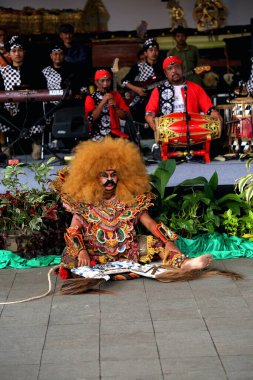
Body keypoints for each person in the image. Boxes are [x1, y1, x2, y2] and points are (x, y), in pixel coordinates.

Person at [52, 136, 212, 287]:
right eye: (104, 175)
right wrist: (81, 252)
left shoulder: (130, 199)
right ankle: (83, 268)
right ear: (93, 177)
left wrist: (169, 242)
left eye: (113, 174)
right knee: (69, 255)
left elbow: (150, 223)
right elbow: (73, 231)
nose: (109, 179)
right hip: (95, 251)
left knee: (155, 244)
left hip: (128, 250)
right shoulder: (85, 202)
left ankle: (185, 263)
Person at [145, 56, 222, 160]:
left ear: (182, 69)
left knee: (216, 148)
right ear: (165, 74)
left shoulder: (196, 88)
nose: (174, 71)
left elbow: (209, 108)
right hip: (169, 136)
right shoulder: (158, 90)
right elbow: (150, 112)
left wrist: (215, 114)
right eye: (170, 69)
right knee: (158, 156)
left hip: (194, 136)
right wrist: (150, 118)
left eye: (177, 67)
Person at [0, 35, 46, 160]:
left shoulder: (35, 70)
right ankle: (5, 147)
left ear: (24, 52)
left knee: (38, 108)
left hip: (30, 110)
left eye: (20, 50)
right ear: (9, 53)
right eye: (14, 51)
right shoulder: (3, 72)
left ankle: (36, 144)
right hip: (10, 111)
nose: (17, 54)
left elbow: (43, 90)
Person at [121, 38, 164, 137]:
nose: (154, 53)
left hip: (159, 100)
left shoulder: (163, 67)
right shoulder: (139, 67)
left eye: (156, 50)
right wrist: (137, 89)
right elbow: (124, 82)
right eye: (151, 50)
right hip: (142, 101)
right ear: (145, 53)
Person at [84, 69, 130, 141]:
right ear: (96, 82)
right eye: (102, 81)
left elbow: (125, 117)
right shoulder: (90, 98)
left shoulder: (116, 95)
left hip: (115, 134)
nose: (105, 84)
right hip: (97, 135)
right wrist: (103, 102)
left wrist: (116, 107)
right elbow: (91, 119)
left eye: (108, 80)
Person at [58, 23, 91, 88]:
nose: (68, 36)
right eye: (65, 34)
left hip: (79, 78)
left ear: (73, 34)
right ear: (61, 35)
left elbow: (82, 62)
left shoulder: (81, 47)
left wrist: (65, 58)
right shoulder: (58, 48)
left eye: (70, 33)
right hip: (63, 80)